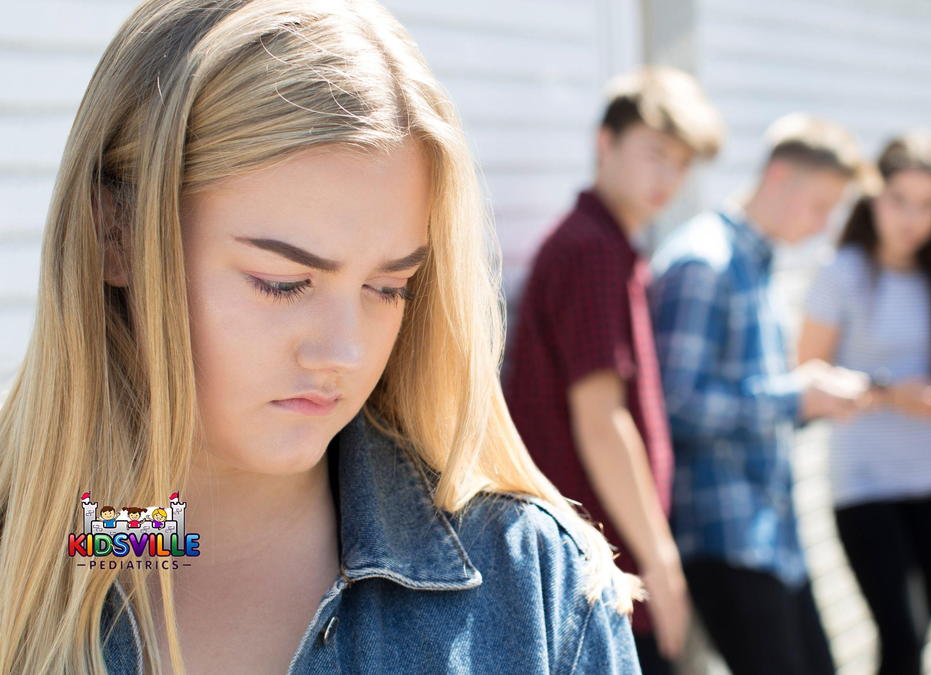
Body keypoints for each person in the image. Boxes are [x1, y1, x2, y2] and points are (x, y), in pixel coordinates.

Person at [0, 1, 640, 672]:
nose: (348, 352)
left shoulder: (536, 588)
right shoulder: (91, 542)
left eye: (388, 287)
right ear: (115, 235)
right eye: (282, 281)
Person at [503, 65, 723, 674]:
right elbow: (602, 420)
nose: (669, 178)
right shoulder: (591, 250)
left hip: (597, 567)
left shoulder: (611, 248)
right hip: (603, 573)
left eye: (682, 164)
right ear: (606, 142)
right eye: (656, 154)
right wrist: (661, 564)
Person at [649, 113, 869, 675]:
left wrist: (815, 401)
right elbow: (676, 406)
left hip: (771, 535)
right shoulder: (704, 262)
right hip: (724, 536)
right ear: (778, 176)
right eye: (820, 206)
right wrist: (797, 399)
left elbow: (748, 400)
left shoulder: (758, 264)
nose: (823, 226)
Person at [796, 131, 931, 675]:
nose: (912, 218)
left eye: (928, 205)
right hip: (864, 484)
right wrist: (893, 393)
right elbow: (808, 377)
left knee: (913, 643)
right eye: (900, 200)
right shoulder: (840, 272)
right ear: (874, 198)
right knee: (902, 636)